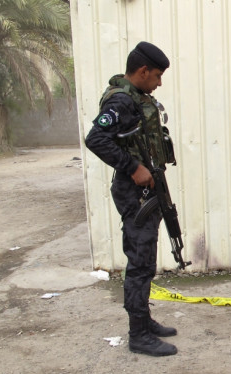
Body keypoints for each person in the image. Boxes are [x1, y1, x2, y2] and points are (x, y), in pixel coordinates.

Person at [85, 41, 178, 357]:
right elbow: (95, 139)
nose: (159, 82)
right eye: (157, 75)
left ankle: (144, 320)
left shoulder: (135, 98)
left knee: (146, 258)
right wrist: (133, 167)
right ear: (143, 71)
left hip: (145, 190)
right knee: (139, 262)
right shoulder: (121, 102)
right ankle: (138, 335)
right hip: (133, 193)